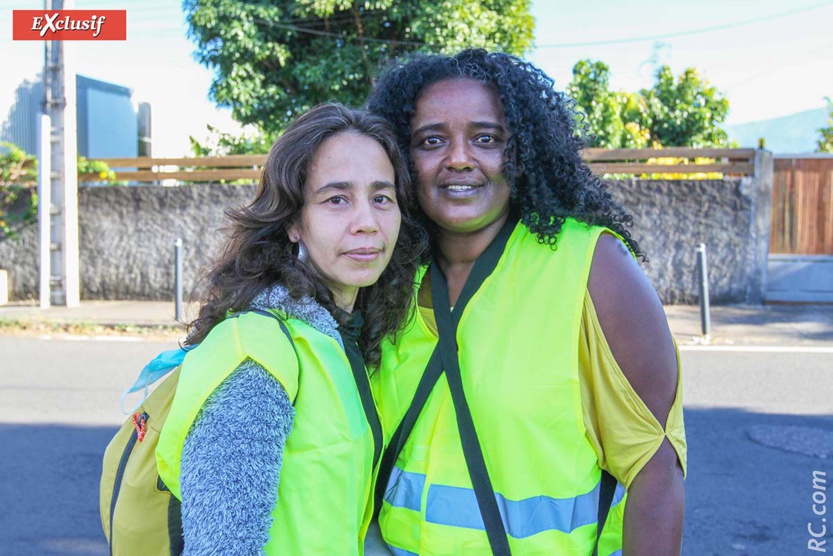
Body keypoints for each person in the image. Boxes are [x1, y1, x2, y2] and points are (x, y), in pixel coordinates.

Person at [366, 49, 686, 555]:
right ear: (401, 158)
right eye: (431, 141)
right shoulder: (384, 276)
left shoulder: (592, 267)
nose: (458, 158)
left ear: (523, 150)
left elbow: (655, 472)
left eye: (486, 139)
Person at [155, 103, 426, 554]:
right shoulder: (257, 355)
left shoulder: (341, 337)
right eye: (337, 199)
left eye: (382, 198)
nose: (367, 222)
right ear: (294, 222)